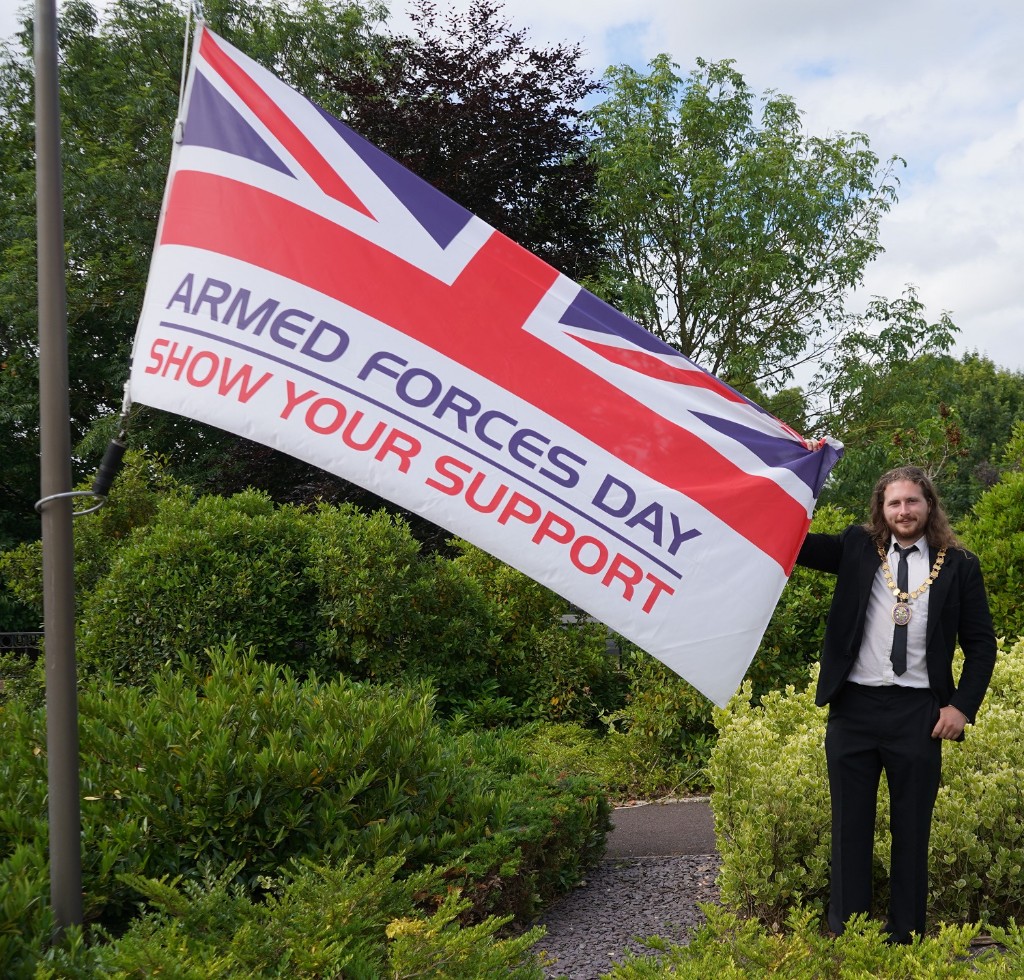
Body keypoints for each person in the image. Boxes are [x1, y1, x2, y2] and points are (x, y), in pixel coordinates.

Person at [797, 465, 996, 944]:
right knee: (850, 826)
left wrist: (961, 708)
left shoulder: (960, 563)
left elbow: (981, 644)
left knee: (911, 830)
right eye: (894, 503)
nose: (903, 511)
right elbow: (794, 544)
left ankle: (906, 937)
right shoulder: (855, 548)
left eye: (912, 501)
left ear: (929, 505)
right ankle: (852, 936)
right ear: (880, 510)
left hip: (919, 714)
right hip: (855, 709)